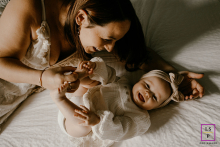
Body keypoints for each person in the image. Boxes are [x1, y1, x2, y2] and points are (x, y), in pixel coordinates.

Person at [0, 0, 204, 127]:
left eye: (114, 41)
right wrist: (42, 78)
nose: (109, 49)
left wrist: (174, 76)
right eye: (107, 40)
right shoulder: (29, 6)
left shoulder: (98, 22)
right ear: (82, 18)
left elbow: (138, 56)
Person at [50, 57, 188, 147]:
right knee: (94, 82)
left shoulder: (140, 118)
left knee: (84, 126)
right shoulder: (123, 82)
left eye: (154, 97)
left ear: (157, 107)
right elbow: (108, 75)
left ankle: (59, 98)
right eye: (147, 86)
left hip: (75, 122)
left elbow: (122, 129)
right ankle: (80, 74)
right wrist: (95, 68)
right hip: (82, 97)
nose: (147, 93)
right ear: (140, 79)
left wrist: (97, 120)